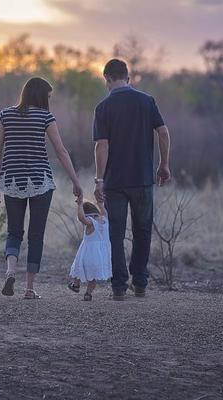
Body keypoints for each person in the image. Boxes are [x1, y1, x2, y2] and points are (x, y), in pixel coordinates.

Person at [0, 77, 83, 300]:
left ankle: (11, 271)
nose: (49, 100)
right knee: (36, 235)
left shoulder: (5, 115)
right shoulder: (45, 117)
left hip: (12, 181)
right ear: (41, 96)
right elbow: (61, 152)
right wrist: (75, 181)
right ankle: (29, 289)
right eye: (48, 96)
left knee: (14, 231)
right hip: (40, 181)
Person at [93, 59, 171, 301]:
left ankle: (118, 287)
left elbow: (101, 146)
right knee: (143, 231)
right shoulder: (146, 101)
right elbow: (163, 132)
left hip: (115, 181)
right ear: (127, 77)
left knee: (115, 234)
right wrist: (163, 164)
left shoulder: (103, 107)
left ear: (107, 77)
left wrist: (99, 179)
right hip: (142, 178)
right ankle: (140, 283)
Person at [67, 199, 112, 301]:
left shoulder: (91, 222)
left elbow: (81, 218)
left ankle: (76, 285)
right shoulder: (105, 219)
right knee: (93, 277)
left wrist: (79, 205)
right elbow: (103, 210)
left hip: (88, 254)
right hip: (100, 256)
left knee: (79, 268)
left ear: (87, 214)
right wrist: (100, 203)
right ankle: (88, 293)